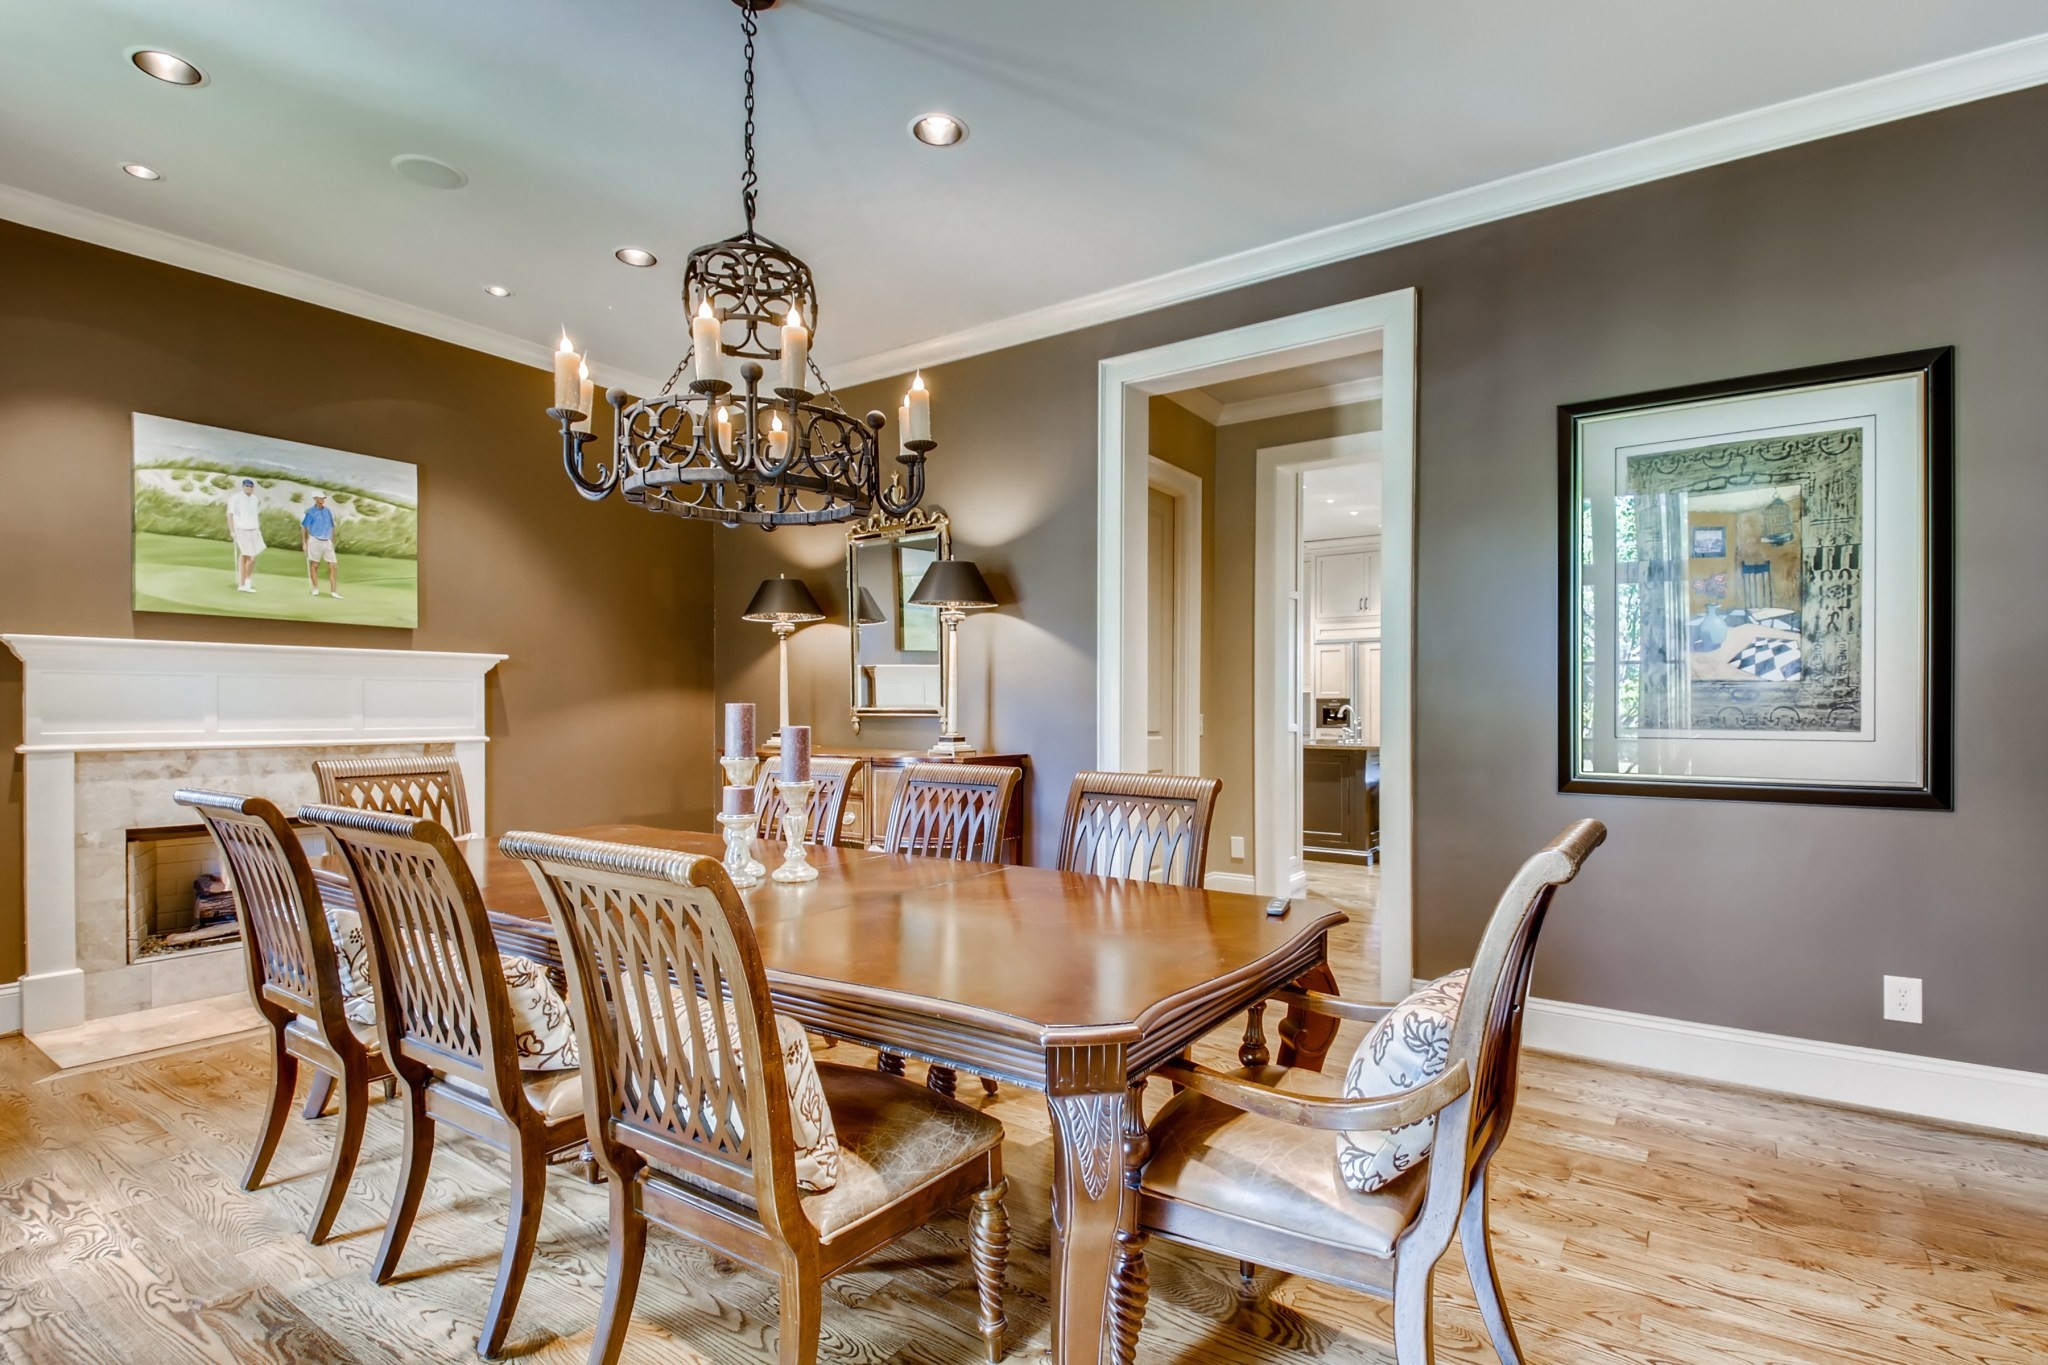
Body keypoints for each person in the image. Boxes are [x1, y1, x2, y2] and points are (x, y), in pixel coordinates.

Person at [224, 477, 265, 592]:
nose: (249, 488)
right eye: (247, 486)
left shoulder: (255, 499)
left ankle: (244, 582)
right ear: (243, 487)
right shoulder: (235, 498)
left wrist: (257, 529)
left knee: (248, 556)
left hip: (253, 530)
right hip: (241, 530)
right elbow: (230, 515)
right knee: (250, 557)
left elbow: (254, 515)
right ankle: (245, 582)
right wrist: (232, 530)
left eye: (251, 487)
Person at [301, 490, 342, 598]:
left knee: (333, 566)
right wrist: (304, 543)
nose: (323, 500)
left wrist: (333, 541)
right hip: (315, 540)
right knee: (315, 565)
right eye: (321, 498)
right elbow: (304, 527)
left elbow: (332, 527)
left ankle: (333, 592)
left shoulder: (327, 511)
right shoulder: (310, 512)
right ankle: (315, 588)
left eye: (323, 498)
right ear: (315, 499)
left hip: (326, 541)